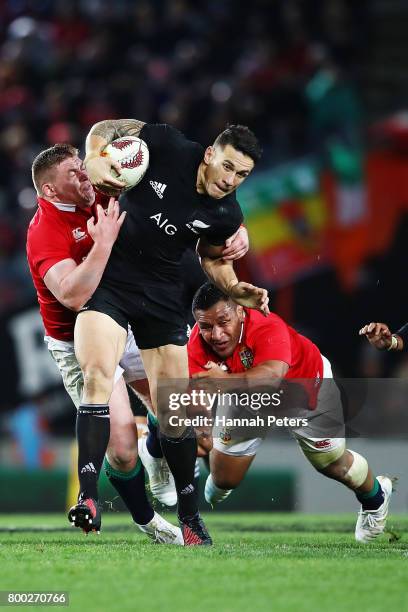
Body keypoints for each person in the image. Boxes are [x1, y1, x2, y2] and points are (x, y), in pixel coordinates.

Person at [74, 120, 268, 545]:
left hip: (161, 297)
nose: (230, 180)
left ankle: (189, 517)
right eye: (228, 167)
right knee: (96, 378)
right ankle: (87, 498)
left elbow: (213, 258)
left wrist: (235, 287)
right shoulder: (166, 144)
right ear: (209, 155)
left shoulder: (226, 213)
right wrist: (93, 157)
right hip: (111, 281)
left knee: (175, 410)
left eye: (242, 175)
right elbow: (108, 127)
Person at [26, 143, 183, 542]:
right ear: (49, 191)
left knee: (177, 413)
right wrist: (104, 243)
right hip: (77, 341)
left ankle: (157, 453)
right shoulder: (44, 232)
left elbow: (167, 193)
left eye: (81, 165)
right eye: (72, 173)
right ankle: (148, 521)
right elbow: (73, 295)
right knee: (121, 450)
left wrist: (232, 230)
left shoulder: (102, 187)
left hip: (127, 321)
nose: (83, 175)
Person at [188, 282, 393, 543]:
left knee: (333, 464)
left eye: (223, 321)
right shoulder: (196, 341)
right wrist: (200, 425)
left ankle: (376, 498)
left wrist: (223, 383)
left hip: (306, 393)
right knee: (222, 483)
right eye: (206, 326)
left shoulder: (266, 325)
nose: (216, 335)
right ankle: (217, 455)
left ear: (240, 311)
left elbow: (272, 377)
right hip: (244, 398)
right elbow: (195, 391)